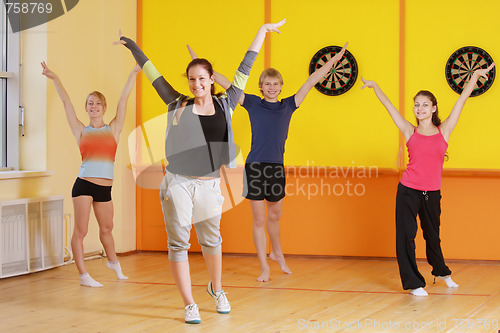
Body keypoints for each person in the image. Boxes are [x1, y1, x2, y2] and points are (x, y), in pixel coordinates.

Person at [115, 19, 286, 324]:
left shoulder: (226, 103)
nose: (196, 84)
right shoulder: (177, 102)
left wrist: (262, 30)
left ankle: (217, 289)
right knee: (178, 242)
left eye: (202, 78)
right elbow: (153, 73)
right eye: (192, 79)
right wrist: (133, 47)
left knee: (211, 241)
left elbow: (246, 66)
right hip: (178, 182)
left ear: (211, 80)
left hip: (209, 184)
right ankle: (189, 303)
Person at [188, 42, 347, 282]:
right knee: (259, 219)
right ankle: (264, 266)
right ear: (260, 87)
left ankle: (277, 253)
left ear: (281, 87)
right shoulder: (252, 103)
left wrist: (332, 62)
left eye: (275, 84)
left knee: (275, 215)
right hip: (254, 168)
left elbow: (311, 82)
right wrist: (203, 69)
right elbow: (227, 84)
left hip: (275, 169)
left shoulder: (288, 106)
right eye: (267, 84)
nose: (271, 88)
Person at [360, 62, 495, 296]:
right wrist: (375, 86)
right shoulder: (408, 130)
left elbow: (461, 100)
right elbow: (389, 107)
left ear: (433, 108)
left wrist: (474, 77)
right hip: (408, 191)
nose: (419, 108)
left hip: (432, 193)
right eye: (416, 105)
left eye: (424, 105)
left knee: (433, 236)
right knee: (406, 236)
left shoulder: (444, 130)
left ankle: (441, 272)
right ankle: (414, 283)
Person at [42, 62, 141, 287]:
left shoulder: (113, 129)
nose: (93, 106)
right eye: (89, 103)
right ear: (86, 108)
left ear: (104, 107)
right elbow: (66, 102)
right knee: (82, 230)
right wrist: (55, 78)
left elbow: (123, 100)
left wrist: (133, 73)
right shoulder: (80, 130)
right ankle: (84, 275)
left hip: (105, 188)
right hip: (84, 185)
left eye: (97, 103)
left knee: (107, 230)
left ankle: (113, 263)